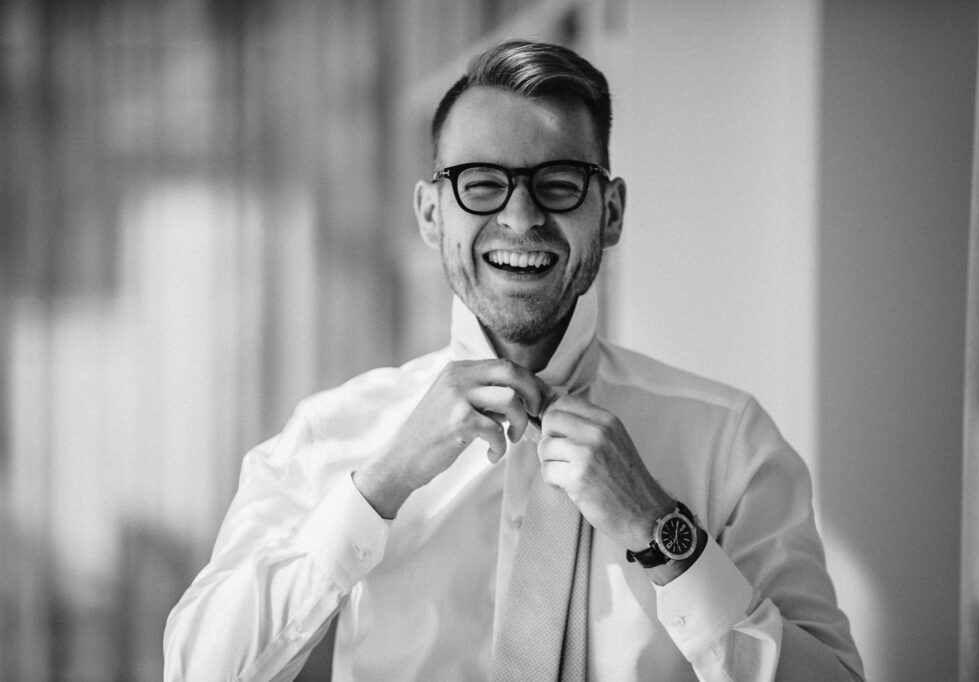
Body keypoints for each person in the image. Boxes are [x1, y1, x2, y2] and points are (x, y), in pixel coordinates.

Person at [164, 40, 863, 681]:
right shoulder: (332, 435)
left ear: (611, 211)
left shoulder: (730, 442)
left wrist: (662, 533)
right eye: (481, 183)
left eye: (558, 182)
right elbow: (196, 668)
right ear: (433, 214)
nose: (522, 217)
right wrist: (378, 486)